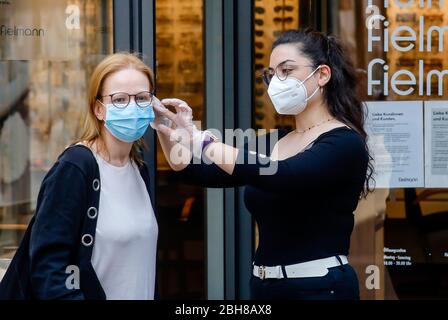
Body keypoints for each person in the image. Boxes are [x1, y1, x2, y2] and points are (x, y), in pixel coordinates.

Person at [152, 29, 374, 300]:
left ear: (322, 74)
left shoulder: (343, 143)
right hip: (264, 286)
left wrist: (202, 140)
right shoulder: (276, 140)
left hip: (319, 287)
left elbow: (283, 175)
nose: (276, 82)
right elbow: (195, 170)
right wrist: (166, 127)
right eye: (271, 73)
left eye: (286, 70)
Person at [2, 53, 159, 300]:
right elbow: (48, 269)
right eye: (119, 100)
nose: (133, 107)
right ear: (99, 109)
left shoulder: (139, 169)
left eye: (142, 98)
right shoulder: (76, 167)